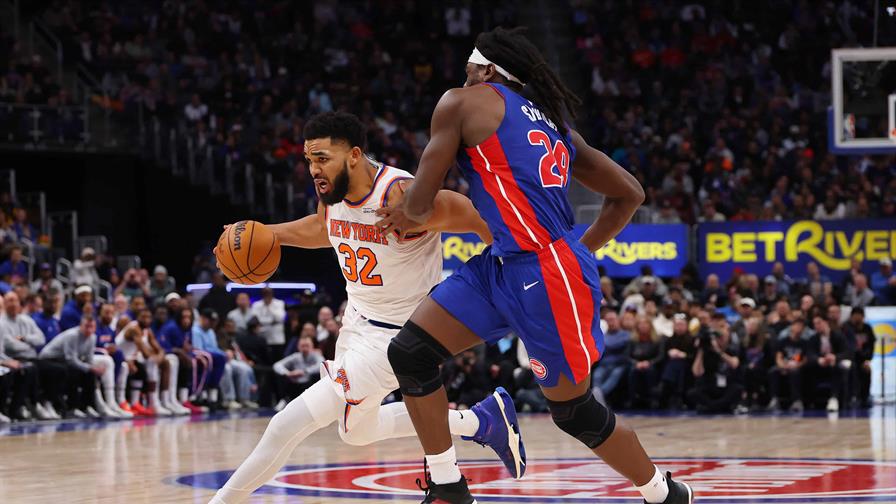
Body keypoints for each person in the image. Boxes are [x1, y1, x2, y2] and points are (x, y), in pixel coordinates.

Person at [375, 27, 692, 502]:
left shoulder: (460, 102)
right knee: (411, 353)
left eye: (469, 71)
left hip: (546, 273)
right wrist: (580, 251)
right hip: (505, 265)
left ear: (486, 70)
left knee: (575, 413)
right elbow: (630, 193)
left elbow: (418, 208)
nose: (464, 79)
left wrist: (403, 210)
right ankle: (447, 486)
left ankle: (664, 493)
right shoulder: (554, 123)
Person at [209, 111, 519, 504]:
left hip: (400, 338)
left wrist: (514, 271)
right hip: (356, 323)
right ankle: (480, 421)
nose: (314, 169)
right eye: (309, 160)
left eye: (323, 158)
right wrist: (267, 234)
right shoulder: (333, 193)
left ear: (354, 155)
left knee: (285, 425)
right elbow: (324, 227)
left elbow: (475, 217)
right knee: (356, 432)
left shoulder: (401, 197)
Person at [38, 315, 105, 418]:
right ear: (81, 326)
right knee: (73, 372)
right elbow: (71, 360)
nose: (89, 329)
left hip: (63, 361)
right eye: (86, 326)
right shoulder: (72, 335)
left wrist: (94, 368)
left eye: (91, 327)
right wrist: (89, 368)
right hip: (49, 359)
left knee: (90, 374)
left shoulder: (93, 338)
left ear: (95, 328)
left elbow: (89, 359)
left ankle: (86, 406)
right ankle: (70, 407)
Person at [116, 308, 174, 416]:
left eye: (148, 317)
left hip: (132, 358)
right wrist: (157, 358)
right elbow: (146, 354)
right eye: (143, 317)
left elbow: (160, 349)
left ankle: (165, 401)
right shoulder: (134, 329)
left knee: (165, 363)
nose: (146, 320)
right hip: (120, 358)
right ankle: (153, 403)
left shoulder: (147, 330)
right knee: (151, 363)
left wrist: (159, 358)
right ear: (137, 317)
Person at [687, 324, 742, 414]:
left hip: (726, 386)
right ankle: (718, 406)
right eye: (718, 338)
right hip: (710, 385)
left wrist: (718, 351)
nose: (720, 340)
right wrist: (701, 350)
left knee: (737, 389)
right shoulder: (706, 351)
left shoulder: (731, 349)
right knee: (693, 392)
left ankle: (712, 407)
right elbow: (696, 372)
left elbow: (734, 364)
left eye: (723, 337)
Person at [807, 315, 850, 412]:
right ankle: (808, 401)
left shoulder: (838, 336)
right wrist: (819, 360)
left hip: (834, 365)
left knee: (839, 368)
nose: (816, 326)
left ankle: (834, 398)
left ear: (826, 322)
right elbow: (810, 353)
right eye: (814, 324)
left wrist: (835, 357)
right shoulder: (813, 338)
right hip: (819, 366)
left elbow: (847, 352)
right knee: (807, 367)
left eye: (819, 323)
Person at [768, 319, 809, 413]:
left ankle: (796, 401)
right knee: (773, 371)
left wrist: (797, 366)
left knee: (795, 373)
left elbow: (805, 359)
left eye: (801, 326)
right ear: (791, 327)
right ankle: (774, 399)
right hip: (784, 365)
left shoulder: (804, 343)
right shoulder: (783, 341)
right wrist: (783, 366)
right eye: (797, 325)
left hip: (797, 367)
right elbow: (778, 357)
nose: (798, 328)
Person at [272, 336, 323, 409]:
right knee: (281, 375)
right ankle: (284, 400)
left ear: (312, 346)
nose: (305, 348)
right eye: (302, 346)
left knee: (318, 375)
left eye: (307, 346)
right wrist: (287, 373)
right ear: (298, 347)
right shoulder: (295, 356)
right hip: (294, 385)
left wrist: (304, 371)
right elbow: (277, 365)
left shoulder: (316, 355)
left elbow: (321, 364)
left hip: (311, 386)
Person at [592, 310, 630, 405]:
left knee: (615, 375)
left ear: (618, 320)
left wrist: (606, 345)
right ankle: (599, 400)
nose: (611, 322)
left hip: (619, 365)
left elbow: (617, 344)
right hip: (604, 364)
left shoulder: (626, 334)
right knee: (597, 375)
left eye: (612, 319)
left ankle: (598, 395)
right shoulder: (603, 335)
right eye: (608, 320)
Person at [842, 307, 876, 408]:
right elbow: (846, 346)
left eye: (859, 315)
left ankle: (865, 396)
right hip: (850, 358)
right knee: (851, 368)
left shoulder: (867, 328)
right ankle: (851, 396)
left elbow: (871, 346)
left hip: (862, 358)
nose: (857, 318)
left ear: (863, 316)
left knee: (867, 369)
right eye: (855, 315)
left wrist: (868, 359)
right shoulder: (846, 328)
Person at [251, 288, 286, 359]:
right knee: (263, 361)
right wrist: (272, 322)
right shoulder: (256, 305)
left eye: (269, 293)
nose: (267, 295)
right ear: (262, 294)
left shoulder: (279, 303)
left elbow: (280, 318)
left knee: (277, 361)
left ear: (272, 294)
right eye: (265, 293)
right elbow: (256, 320)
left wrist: (269, 306)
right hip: (262, 338)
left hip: (277, 339)